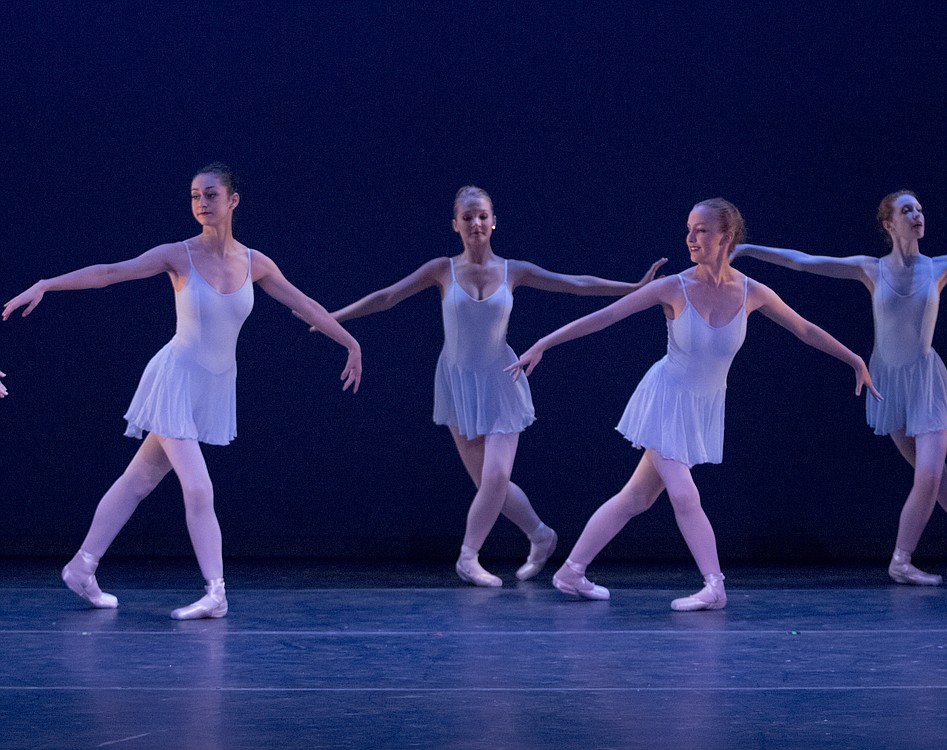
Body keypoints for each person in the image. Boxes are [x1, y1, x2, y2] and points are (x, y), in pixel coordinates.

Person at [2, 162, 362, 618]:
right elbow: (111, 271)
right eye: (195, 196)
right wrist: (48, 284)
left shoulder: (256, 263)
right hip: (175, 380)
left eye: (211, 195)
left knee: (138, 481)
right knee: (198, 487)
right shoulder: (179, 255)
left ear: (233, 200)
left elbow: (306, 305)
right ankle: (216, 591)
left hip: (211, 386)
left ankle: (82, 566)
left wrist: (349, 342)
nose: (201, 204)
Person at [506, 198, 879, 610]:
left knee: (636, 498)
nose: (690, 238)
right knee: (684, 494)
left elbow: (805, 329)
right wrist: (544, 343)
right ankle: (714, 586)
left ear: (727, 236)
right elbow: (605, 317)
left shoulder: (753, 292)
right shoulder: (674, 286)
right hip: (666, 399)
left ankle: (571, 572)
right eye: (689, 229)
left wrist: (855, 359)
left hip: (701, 406)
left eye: (701, 230)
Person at [311, 185, 666, 587]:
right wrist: (332, 317)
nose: (476, 223)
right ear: (455, 225)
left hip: (502, 379)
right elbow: (387, 296)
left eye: (482, 216)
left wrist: (634, 287)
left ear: (493, 221)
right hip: (457, 381)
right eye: (467, 217)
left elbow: (576, 284)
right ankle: (541, 534)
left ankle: (467, 557)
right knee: (487, 485)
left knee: (496, 478)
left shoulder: (515, 271)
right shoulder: (440, 269)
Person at [732, 190, 947, 586]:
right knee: (932, 478)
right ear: (888, 224)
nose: (917, 215)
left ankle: (900, 560)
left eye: (919, 209)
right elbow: (803, 262)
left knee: (931, 476)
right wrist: (746, 248)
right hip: (887, 381)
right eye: (906, 210)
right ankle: (902, 560)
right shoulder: (870, 268)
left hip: (926, 380)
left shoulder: (938, 267)